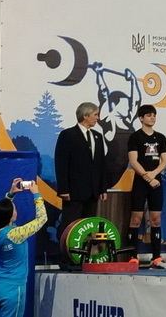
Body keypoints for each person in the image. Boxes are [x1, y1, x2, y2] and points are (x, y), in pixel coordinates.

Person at [55, 101, 108, 266]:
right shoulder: (68, 135)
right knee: (69, 226)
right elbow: (61, 163)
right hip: (73, 191)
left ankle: (85, 258)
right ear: (85, 115)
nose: (97, 118)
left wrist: (102, 188)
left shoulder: (97, 136)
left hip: (92, 191)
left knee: (88, 226)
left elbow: (101, 164)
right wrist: (63, 189)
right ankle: (66, 259)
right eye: (95, 115)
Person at [0, 178, 47, 317]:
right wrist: (36, 195)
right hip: (13, 289)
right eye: (14, 209)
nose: (16, 210)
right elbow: (42, 219)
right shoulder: (16, 234)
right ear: (10, 216)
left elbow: (0, 213)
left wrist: (11, 194)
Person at [127, 104, 166, 268]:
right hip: (141, 182)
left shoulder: (160, 138)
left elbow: (165, 161)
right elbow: (133, 161)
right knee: (136, 218)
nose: (152, 118)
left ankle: (156, 257)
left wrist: (153, 175)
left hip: (156, 182)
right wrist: (147, 177)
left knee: (156, 219)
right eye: (148, 115)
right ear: (141, 118)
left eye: (154, 115)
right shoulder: (135, 137)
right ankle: (133, 256)